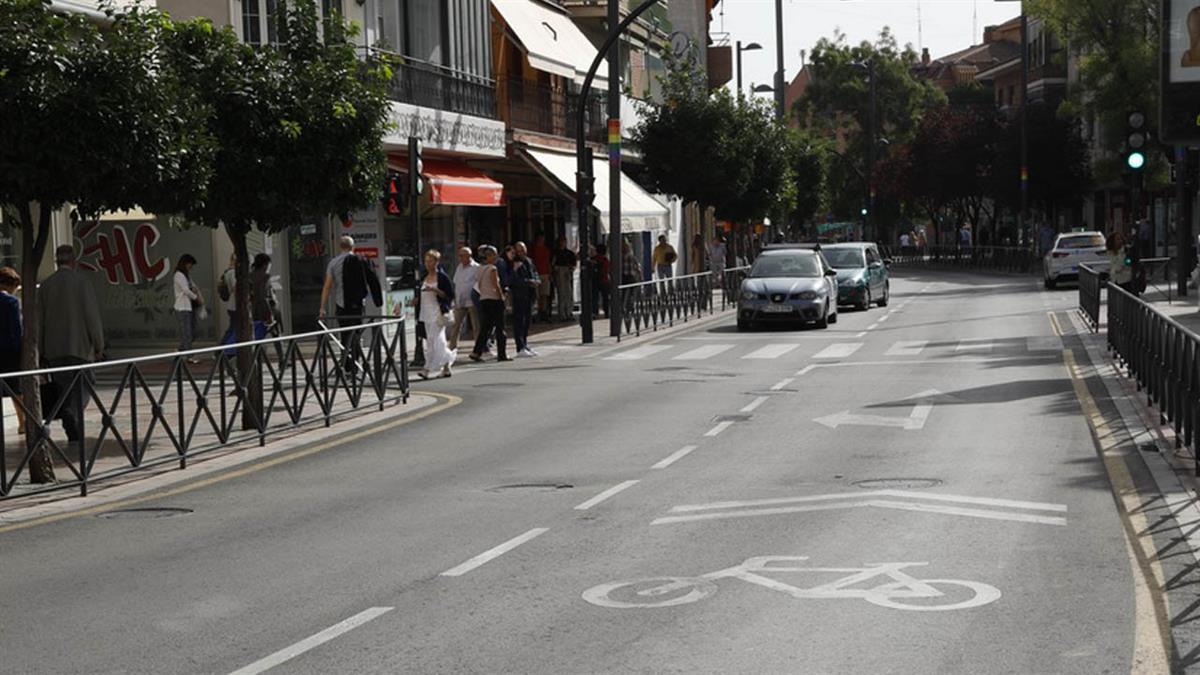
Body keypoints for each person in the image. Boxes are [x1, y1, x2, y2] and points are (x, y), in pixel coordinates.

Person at [38, 245, 104, 445]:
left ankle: (70, 416)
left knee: (63, 386)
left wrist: (41, 350)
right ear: (74, 260)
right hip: (79, 345)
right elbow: (92, 316)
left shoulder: (47, 285)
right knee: (85, 385)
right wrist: (98, 343)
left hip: (54, 348)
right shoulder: (82, 282)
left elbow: (40, 320)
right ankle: (71, 413)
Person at [318, 236, 382, 372]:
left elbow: (327, 286)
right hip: (358, 305)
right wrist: (378, 301)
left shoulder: (333, 263)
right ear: (353, 247)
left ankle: (346, 365)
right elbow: (373, 279)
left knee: (345, 336)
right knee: (356, 335)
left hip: (342, 305)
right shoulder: (362, 260)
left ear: (339, 247)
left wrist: (322, 307)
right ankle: (355, 364)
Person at [416, 250, 455, 379]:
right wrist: (415, 301)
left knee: (436, 340)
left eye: (430, 261)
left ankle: (427, 368)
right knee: (433, 340)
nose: (428, 263)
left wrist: (434, 290)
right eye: (426, 261)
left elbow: (449, 295)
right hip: (425, 312)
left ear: (437, 262)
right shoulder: (424, 277)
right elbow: (420, 295)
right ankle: (446, 365)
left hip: (437, 311)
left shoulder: (442, 277)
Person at [469, 246, 509, 363]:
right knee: (500, 327)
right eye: (494, 255)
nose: (496, 257)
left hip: (484, 299)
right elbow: (495, 284)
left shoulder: (480, 269)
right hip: (494, 299)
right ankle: (502, 354)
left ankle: (476, 351)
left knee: (485, 327)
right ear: (489, 256)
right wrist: (501, 297)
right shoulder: (492, 268)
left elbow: (479, 285)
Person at [0, 267, 24, 434]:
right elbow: (16, 330)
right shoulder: (11, 302)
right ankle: (22, 422)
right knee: (17, 390)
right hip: (9, 351)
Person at [510, 242, 540, 357]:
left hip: (529, 294)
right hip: (519, 294)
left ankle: (525, 344)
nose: (522, 253)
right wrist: (528, 282)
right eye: (519, 251)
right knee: (519, 321)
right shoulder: (514, 263)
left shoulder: (529, 260)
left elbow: (535, 272)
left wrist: (536, 280)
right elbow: (514, 280)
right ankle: (520, 346)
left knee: (527, 320)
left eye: (523, 250)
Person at [449, 247, 480, 351]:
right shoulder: (459, 267)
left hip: (472, 301)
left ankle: (478, 348)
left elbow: (479, 283)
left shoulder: (476, 267)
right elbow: (456, 282)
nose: (460, 258)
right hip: (460, 301)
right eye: (459, 255)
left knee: (476, 325)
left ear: (469, 256)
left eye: (462, 255)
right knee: (456, 325)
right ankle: (452, 348)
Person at [173, 254, 203, 362]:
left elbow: (193, 287)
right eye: (190, 264)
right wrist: (196, 298)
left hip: (188, 307)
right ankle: (190, 356)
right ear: (185, 263)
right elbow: (186, 290)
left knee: (192, 332)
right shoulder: (179, 275)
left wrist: (195, 291)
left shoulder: (187, 276)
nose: (191, 267)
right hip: (182, 307)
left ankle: (180, 349)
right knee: (187, 332)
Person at [250, 253, 276, 340]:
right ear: (265, 265)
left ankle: (258, 351)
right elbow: (263, 296)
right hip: (265, 311)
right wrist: (269, 314)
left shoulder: (249, 276)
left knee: (256, 334)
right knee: (275, 334)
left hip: (252, 310)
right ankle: (283, 353)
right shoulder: (265, 277)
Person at [1106, 230, 1139, 296]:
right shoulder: (1110, 252)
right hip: (1115, 280)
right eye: (1117, 239)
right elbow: (1112, 265)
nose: (1120, 241)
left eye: (1120, 239)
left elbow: (1126, 263)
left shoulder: (1127, 251)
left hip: (1126, 280)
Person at [552, 236, 577, 321]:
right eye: (561, 241)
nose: (563, 243)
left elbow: (574, 262)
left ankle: (569, 312)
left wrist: (572, 268)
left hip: (567, 271)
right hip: (559, 271)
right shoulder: (556, 253)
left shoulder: (569, 253)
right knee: (561, 293)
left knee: (568, 293)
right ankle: (562, 314)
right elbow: (553, 263)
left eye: (564, 241)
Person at [530, 232, 553, 322]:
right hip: (537, 274)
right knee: (537, 295)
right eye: (540, 238)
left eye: (542, 238)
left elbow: (548, 262)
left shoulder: (546, 250)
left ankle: (543, 312)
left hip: (545, 274)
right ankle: (537, 313)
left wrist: (550, 273)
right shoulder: (533, 249)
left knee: (544, 294)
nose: (541, 240)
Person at [218, 254, 238, 347]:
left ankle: (224, 349)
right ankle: (221, 349)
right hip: (235, 305)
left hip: (232, 305)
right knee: (233, 329)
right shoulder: (233, 272)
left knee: (233, 328)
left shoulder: (227, 272)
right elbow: (235, 288)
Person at [592, 243, 612, 318]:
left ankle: (594, 312)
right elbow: (608, 270)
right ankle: (606, 312)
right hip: (604, 280)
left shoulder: (594, 259)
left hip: (595, 280)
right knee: (605, 297)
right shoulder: (605, 260)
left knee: (595, 297)